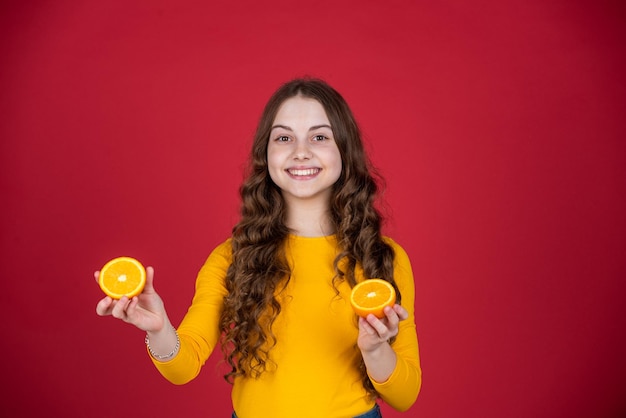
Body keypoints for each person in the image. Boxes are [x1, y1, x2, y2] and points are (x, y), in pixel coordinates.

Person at [95, 78, 422, 418]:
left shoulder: (382, 257)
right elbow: (183, 366)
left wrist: (375, 349)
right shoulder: (232, 257)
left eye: (319, 136)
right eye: (284, 138)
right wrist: (159, 328)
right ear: (266, 154)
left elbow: (405, 395)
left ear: (345, 150)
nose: (300, 151)